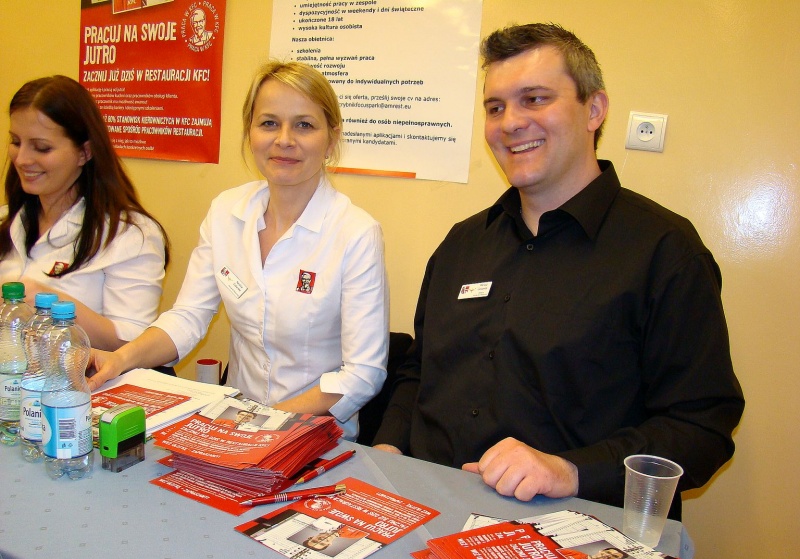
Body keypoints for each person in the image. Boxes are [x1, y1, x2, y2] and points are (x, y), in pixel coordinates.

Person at [373, 23, 744, 518]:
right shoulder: (462, 244)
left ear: (594, 110)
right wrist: (389, 449)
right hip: (427, 509)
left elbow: (701, 427)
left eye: (534, 99)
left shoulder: (664, 251)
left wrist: (570, 470)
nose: (510, 123)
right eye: (495, 107)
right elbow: (420, 370)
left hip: (574, 525)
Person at [87, 61, 389, 441]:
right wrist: (120, 359)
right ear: (250, 132)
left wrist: (264, 420)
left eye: (304, 125)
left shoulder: (356, 233)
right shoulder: (226, 212)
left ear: (331, 139)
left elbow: (363, 374)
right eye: (269, 123)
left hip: (312, 436)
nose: (284, 139)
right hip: (234, 425)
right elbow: (188, 317)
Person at [0, 75, 169, 350]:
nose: (21, 159)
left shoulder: (129, 235)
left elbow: (133, 343)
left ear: (84, 152)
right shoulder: (7, 220)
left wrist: (46, 302)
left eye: (41, 148)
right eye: (16, 142)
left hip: (80, 376)